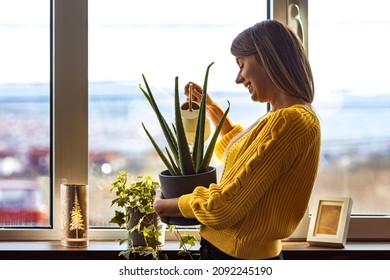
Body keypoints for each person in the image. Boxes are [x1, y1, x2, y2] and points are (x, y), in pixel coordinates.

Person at [153, 20, 321, 260]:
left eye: (242, 65)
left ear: (268, 58)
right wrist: (212, 109)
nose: (238, 78)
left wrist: (168, 205)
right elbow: (246, 162)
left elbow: (224, 207)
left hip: (237, 256)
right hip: (242, 253)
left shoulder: (288, 121)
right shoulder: (289, 117)